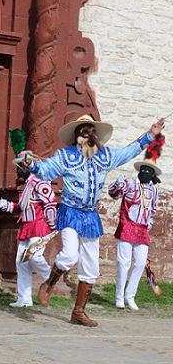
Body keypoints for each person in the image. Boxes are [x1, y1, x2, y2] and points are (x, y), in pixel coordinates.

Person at [21, 113, 164, 326]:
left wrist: (150, 135)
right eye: (85, 131)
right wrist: (31, 165)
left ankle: (78, 311)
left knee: (91, 268)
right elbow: (46, 169)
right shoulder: (66, 156)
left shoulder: (104, 157)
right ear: (77, 135)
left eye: (92, 131)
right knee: (69, 255)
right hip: (70, 212)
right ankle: (49, 284)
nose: (89, 134)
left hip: (90, 216)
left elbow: (127, 152)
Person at [108, 133, 164, 311]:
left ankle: (130, 295)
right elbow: (115, 194)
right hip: (127, 226)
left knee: (140, 263)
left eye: (150, 171)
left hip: (142, 229)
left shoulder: (154, 191)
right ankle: (119, 297)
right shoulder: (131, 183)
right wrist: (117, 184)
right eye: (144, 170)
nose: (146, 172)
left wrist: (149, 222)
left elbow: (153, 208)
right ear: (139, 171)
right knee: (123, 263)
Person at [0, 150, 57, 308]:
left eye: (21, 166)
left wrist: (53, 225)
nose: (18, 170)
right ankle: (24, 299)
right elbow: (22, 208)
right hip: (27, 227)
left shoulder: (41, 183)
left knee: (35, 257)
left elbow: (50, 204)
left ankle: (51, 280)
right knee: (21, 263)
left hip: (39, 226)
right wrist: (8, 206)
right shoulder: (28, 186)